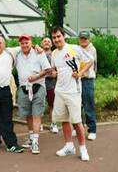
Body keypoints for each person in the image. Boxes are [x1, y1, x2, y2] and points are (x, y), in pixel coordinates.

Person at [50, 27, 94, 162]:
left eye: (58, 36)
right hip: (59, 91)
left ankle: (83, 149)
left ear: (64, 36)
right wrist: (53, 73)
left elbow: (90, 60)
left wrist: (80, 73)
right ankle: (69, 146)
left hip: (73, 91)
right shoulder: (54, 53)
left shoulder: (74, 48)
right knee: (64, 120)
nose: (57, 39)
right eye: (54, 37)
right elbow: (55, 70)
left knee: (77, 122)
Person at [15, 34, 51, 154]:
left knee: (36, 115)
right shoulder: (17, 55)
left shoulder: (39, 53)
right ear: (19, 44)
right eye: (22, 43)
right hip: (23, 88)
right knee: (28, 115)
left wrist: (36, 76)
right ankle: (31, 138)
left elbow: (48, 70)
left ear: (31, 42)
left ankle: (35, 141)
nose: (24, 45)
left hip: (38, 87)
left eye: (27, 42)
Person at [78, 31, 98, 141]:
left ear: (89, 39)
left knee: (88, 105)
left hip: (87, 80)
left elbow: (89, 62)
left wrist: (80, 73)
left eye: (85, 38)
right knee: (77, 105)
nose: (83, 40)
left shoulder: (92, 49)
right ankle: (78, 128)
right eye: (81, 38)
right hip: (77, 80)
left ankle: (92, 130)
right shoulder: (77, 48)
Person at [41, 37, 58, 134]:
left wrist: (56, 73)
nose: (46, 43)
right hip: (40, 84)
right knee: (39, 105)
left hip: (51, 84)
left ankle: (54, 124)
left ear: (51, 44)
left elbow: (58, 69)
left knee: (52, 105)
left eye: (48, 41)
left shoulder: (55, 55)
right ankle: (39, 124)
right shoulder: (37, 55)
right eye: (44, 41)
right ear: (41, 44)